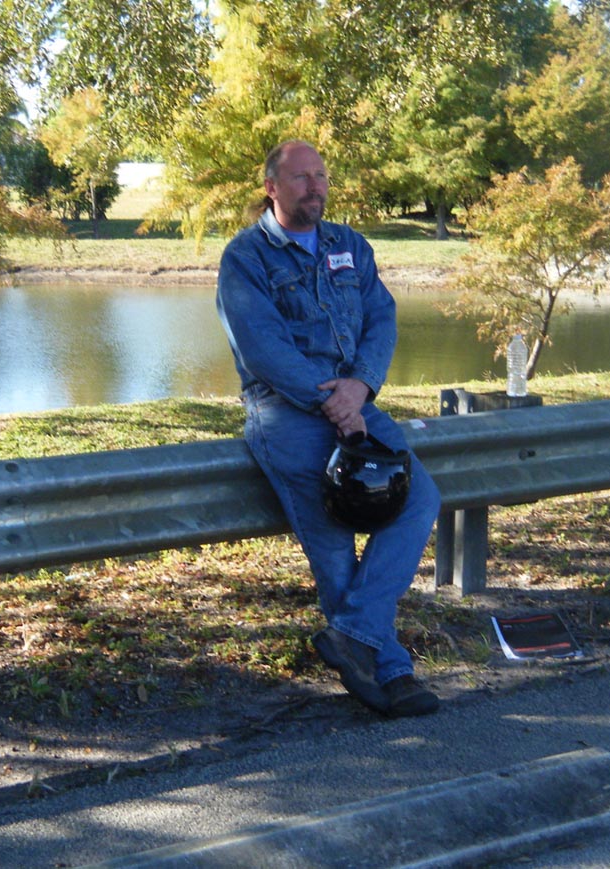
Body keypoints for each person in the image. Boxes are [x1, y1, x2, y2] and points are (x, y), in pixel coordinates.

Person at [216, 139, 442, 716]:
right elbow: (262, 347)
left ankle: (353, 637)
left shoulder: (350, 246)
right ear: (271, 187)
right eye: (300, 177)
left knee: (418, 498)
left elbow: (381, 320)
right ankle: (391, 673)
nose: (314, 186)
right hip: (285, 413)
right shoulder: (246, 258)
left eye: (320, 175)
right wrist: (334, 402)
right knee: (335, 542)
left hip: (355, 400)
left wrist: (359, 387)